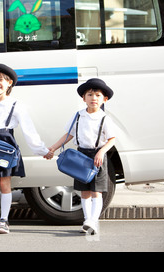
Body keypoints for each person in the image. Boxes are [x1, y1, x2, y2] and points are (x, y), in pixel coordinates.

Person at [0, 63, 52, 234]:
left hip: (6, 147)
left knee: (6, 184)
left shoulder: (16, 105)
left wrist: (42, 150)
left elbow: (29, 129)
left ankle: (4, 221)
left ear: (9, 84)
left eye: (1, 80)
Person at [48, 78, 116, 235]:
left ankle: (94, 220)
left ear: (104, 99)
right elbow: (68, 135)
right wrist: (53, 148)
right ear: (83, 98)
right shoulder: (78, 116)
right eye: (90, 94)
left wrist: (101, 152)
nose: (94, 98)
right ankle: (87, 220)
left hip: (98, 156)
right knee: (84, 191)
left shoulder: (105, 118)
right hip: (81, 155)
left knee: (96, 191)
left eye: (98, 95)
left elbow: (112, 139)